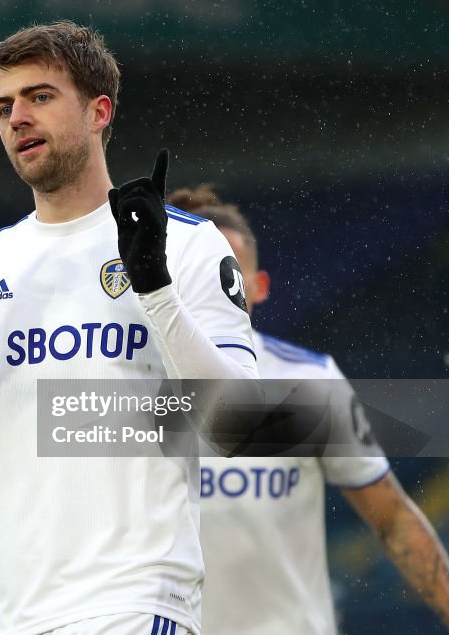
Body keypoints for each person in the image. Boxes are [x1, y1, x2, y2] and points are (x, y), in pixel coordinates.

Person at [0, 21, 261, 635]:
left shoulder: (186, 245)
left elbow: (238, 428)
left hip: (135, 603)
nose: (18, 118)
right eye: (3, 107)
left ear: (98, 112)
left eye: (40, 96)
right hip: (12, 616)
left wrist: (155, 289)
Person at [168, 184, 449, 633]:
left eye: (227, 273)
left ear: (258, 287)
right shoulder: (122, 384)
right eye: (195, 270)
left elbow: (393, 518)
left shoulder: (309, 383)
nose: (213, 287)